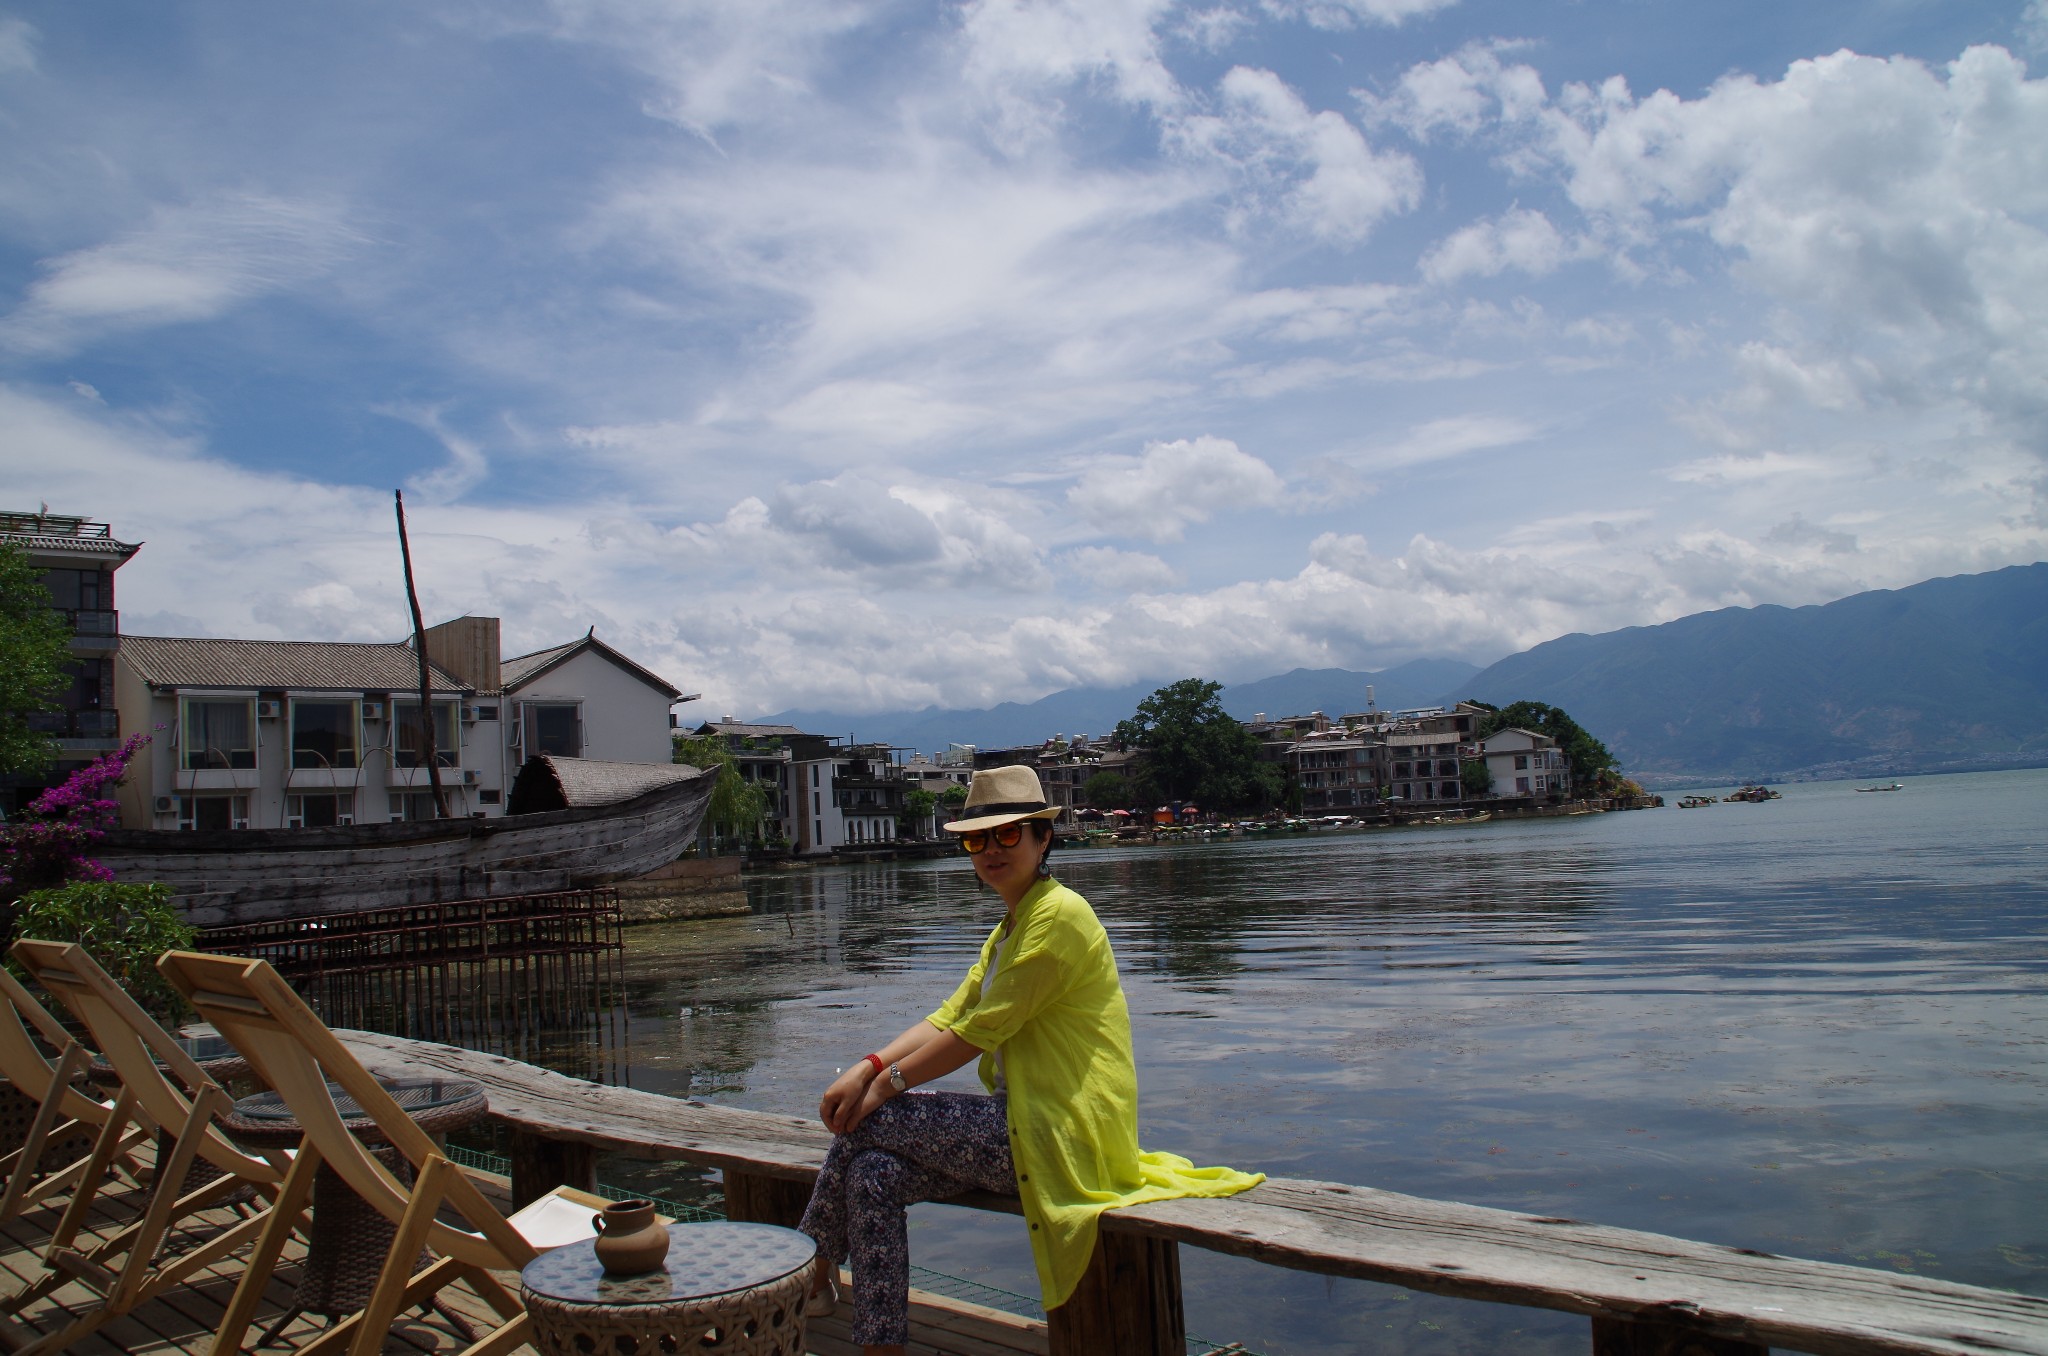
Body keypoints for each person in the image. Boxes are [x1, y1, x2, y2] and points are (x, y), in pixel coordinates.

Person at [797, 765, 1264, 1354]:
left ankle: (808, 1267)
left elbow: (981, 1031)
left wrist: (883, 1087)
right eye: (977, 838)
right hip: (1019, 1125)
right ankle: (879, 1344)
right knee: (873, 1174)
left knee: (875, 1120)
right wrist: (866, 1066)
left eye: (1009, 834)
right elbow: (951, 1012)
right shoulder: (1012, 926)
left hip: (1061, 1132)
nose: (991, 849)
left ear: (1044, 839)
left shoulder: (1059, 916)